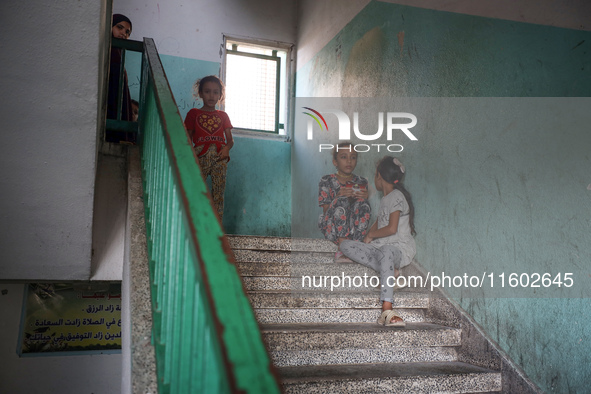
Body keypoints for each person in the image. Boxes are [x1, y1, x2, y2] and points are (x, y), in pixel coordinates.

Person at [340, 157, 416, 327]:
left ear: (379, 177)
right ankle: (390, 272)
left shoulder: (396, 196)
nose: (374, 178)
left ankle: (387, 309)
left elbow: (391, 228)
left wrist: (373, 234)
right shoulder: (385, 199)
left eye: (375, 175)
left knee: (386, 251)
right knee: (345, 245)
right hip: (380, 249)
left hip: (397, 249)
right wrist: (369, 237)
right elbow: (380, 221)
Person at [184, 75, 234, 220]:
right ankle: (195, 224)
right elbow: (188, 138)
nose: (212, 96)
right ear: (200, 93)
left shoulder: (223, 115)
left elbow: (230, 141)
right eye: (207, 91)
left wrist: (226, 149)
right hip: (200, 156)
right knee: (196, 191)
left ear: (220, 95)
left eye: (215, 92)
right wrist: (191, 156)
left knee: (218, 193)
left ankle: (216, 228)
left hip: (220, 156)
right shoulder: (193, 113)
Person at [318, 142, 371, 262]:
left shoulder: (361, 181)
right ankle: (343, 250)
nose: (349, 161)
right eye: (343, 157)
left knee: (364, 203)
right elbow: (326, 210)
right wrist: (338, 196)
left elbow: (361, 210)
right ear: (335, 162)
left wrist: (364, 197)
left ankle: (355, 247)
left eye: (353, 157)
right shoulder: (327, 180)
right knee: (342, 200)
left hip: (353, 230)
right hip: (332, 227)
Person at [106, 14, 134, 143]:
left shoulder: (118, 54)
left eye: (127, 32)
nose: (123, 33)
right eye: (119, 27)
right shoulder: (108, 51)